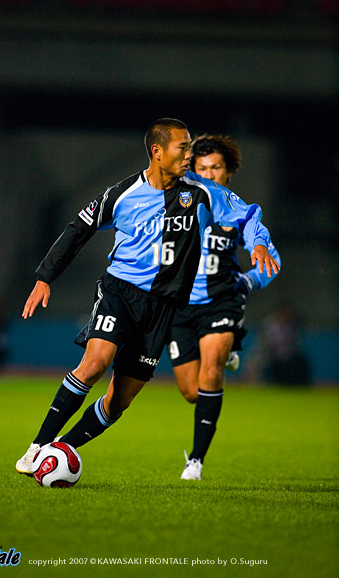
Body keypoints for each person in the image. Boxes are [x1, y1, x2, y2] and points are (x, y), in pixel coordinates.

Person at [16, 118, 279, 476]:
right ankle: (38, 446)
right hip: (120, 293)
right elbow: (79, 228)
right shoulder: (122, 194)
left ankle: (63, 448)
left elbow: (247, 215)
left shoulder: (202, 191)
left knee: (119, 400)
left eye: (190, 148)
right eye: (182, 148)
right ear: (157, 151)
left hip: (163, 307)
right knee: (95, 363)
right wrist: (45, 277)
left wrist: (258, 243)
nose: (189, 156)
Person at [166, 134, 281, 480]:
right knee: (191, 392)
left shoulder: (234, 208)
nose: (209, 174)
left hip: (221, 301)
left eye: (216, 167)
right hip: (180, 307)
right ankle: (227, 352)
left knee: (211, 370)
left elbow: (270, 258)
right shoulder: (180, 201)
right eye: (202, 168)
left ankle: (196, 462)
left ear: (229, 171)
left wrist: (247, 280)